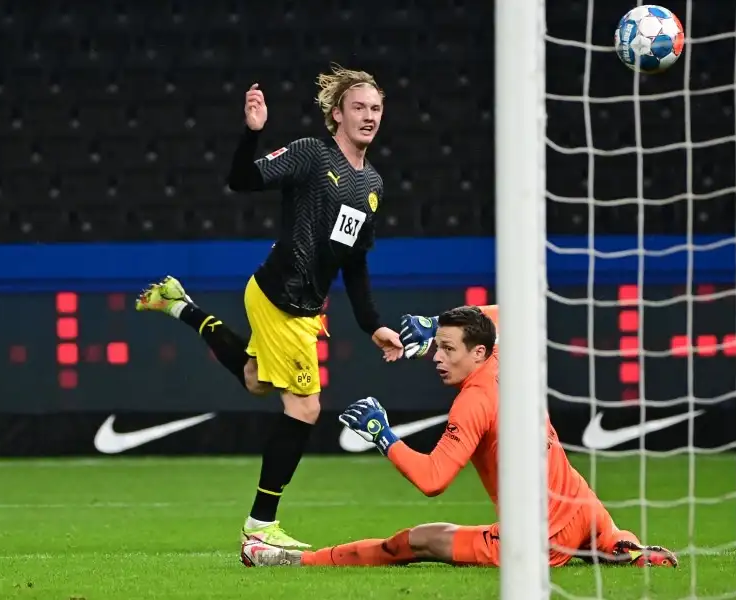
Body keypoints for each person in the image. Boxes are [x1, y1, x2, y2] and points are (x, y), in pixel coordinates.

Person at [135, 64, 403, 549]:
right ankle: (261, 524)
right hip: (281, 296)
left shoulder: (372, 186)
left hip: (300, 303)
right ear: (336, 113)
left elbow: (355, 262)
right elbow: (242, 179)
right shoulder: (311, 154)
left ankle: (179, 306)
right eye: (359, 107)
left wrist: (372, 325)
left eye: (376, 109)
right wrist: (252, 133)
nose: (369, 116)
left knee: (256, 379)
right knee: (305, 407)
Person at [240, 305, 678, 568]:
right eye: (437, 346)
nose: (438, 358)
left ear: (479, 352)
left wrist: (383, 435)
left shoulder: (474, 401)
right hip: (584, 507)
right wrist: (435, 323)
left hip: (536, 539)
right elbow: (515, 313)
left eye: (448, 349)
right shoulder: (509, 360)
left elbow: (433, 480)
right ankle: (626, 546)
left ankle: (295, 560)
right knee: (605, 539)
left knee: (414, 541)